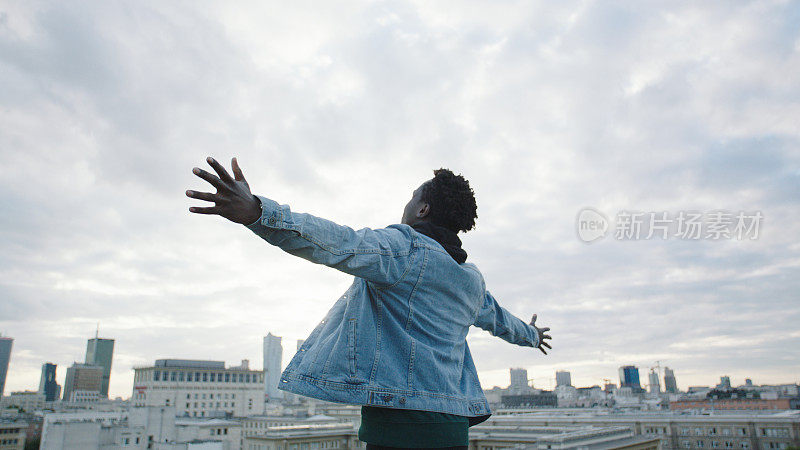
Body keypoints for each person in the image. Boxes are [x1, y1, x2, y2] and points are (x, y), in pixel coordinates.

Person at [187, 157, 553, 449]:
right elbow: (501, 320)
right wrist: (533, 335)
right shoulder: (471, 280)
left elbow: (338, 243)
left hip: (397, 427)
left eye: (412, 196)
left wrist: (257, 211)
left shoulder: (404, 248)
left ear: (423, 209)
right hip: (453, 427)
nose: (406, 203)